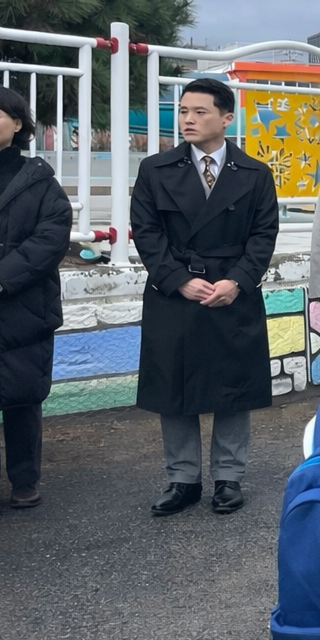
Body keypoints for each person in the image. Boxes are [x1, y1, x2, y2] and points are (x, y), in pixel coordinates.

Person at [131, 78, 279, 516]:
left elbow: (263, 234)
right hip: (174, 293)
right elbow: (147, 232)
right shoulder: (155, 169)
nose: (189, 120)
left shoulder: (254, 173)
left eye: (200, 112)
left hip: (231, 291)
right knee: (172, 387)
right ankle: (183, 479)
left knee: (233, 386)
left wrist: (237, 281)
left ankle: (229, 477)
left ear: (227, 118)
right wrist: (176, 278)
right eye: (183, 112)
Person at [0, 87, 72, 518]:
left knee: (23, 396)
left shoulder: (37, 179)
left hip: (21, 305)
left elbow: (50, 239)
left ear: (18, 125)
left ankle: (26, 479)